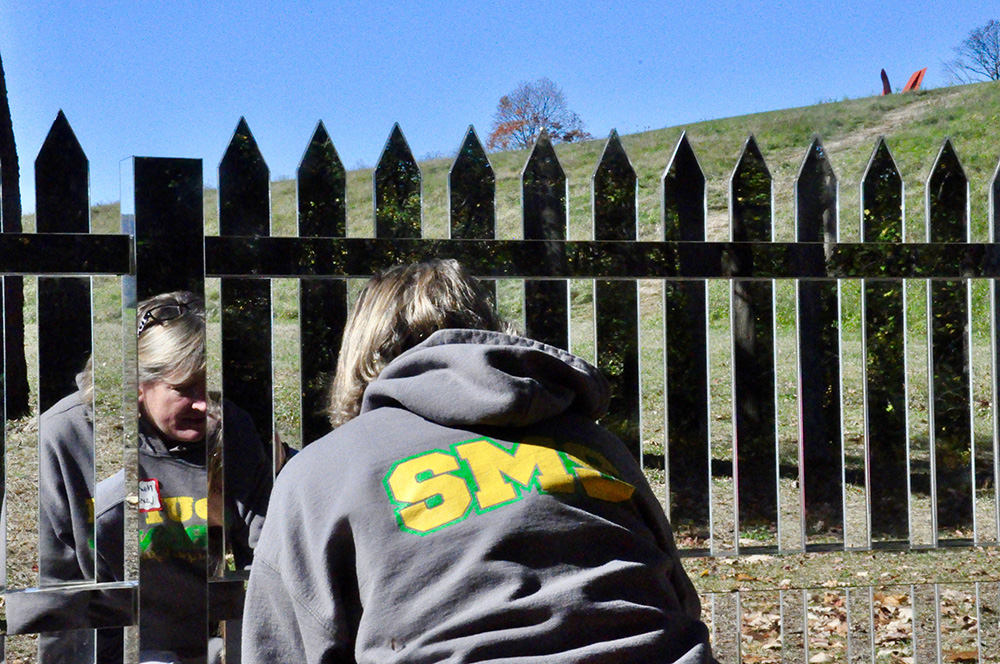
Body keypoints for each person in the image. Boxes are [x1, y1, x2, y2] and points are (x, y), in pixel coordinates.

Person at [243, 259, 713, 663]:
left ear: (359, 349)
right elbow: (678, 596)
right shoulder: (595, 444)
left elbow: (281, 645)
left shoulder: (323, 470)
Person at [10, 291, 273, 664]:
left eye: (211, 387)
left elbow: (267, 565)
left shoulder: (235, 431)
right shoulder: (66, 437)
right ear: (135, 383)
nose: (203, 405)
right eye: (183, 389)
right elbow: (54, 596)